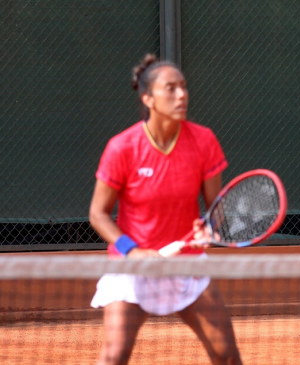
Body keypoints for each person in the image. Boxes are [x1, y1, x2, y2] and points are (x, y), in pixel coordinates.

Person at [89, 54, 242, 365]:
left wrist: (209, 227)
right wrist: (132, 251)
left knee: (226, 355)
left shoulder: (203, 140)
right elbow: (98, 214)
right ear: (148, 98)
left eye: (183, 87)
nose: (182, 94)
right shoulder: (123, 147)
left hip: (185, 264)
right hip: (132, 267)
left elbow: (215, 208)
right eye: (170, 88)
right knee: (114, 356)